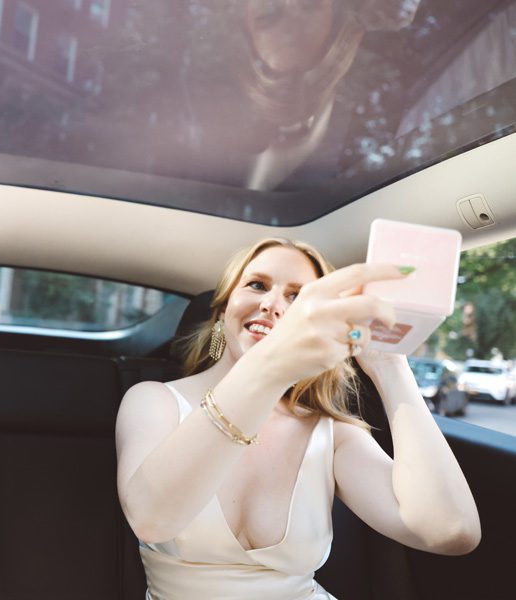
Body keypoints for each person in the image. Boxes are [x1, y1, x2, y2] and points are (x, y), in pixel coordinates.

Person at [115, 238, 480, 599]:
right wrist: (270, 364)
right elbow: (151, 520)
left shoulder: (330, 433)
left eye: (297, 297)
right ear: (224, 308)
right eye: (257, 285)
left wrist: (388, 363)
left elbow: (450, 530)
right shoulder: (155, 401)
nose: (272, 305)